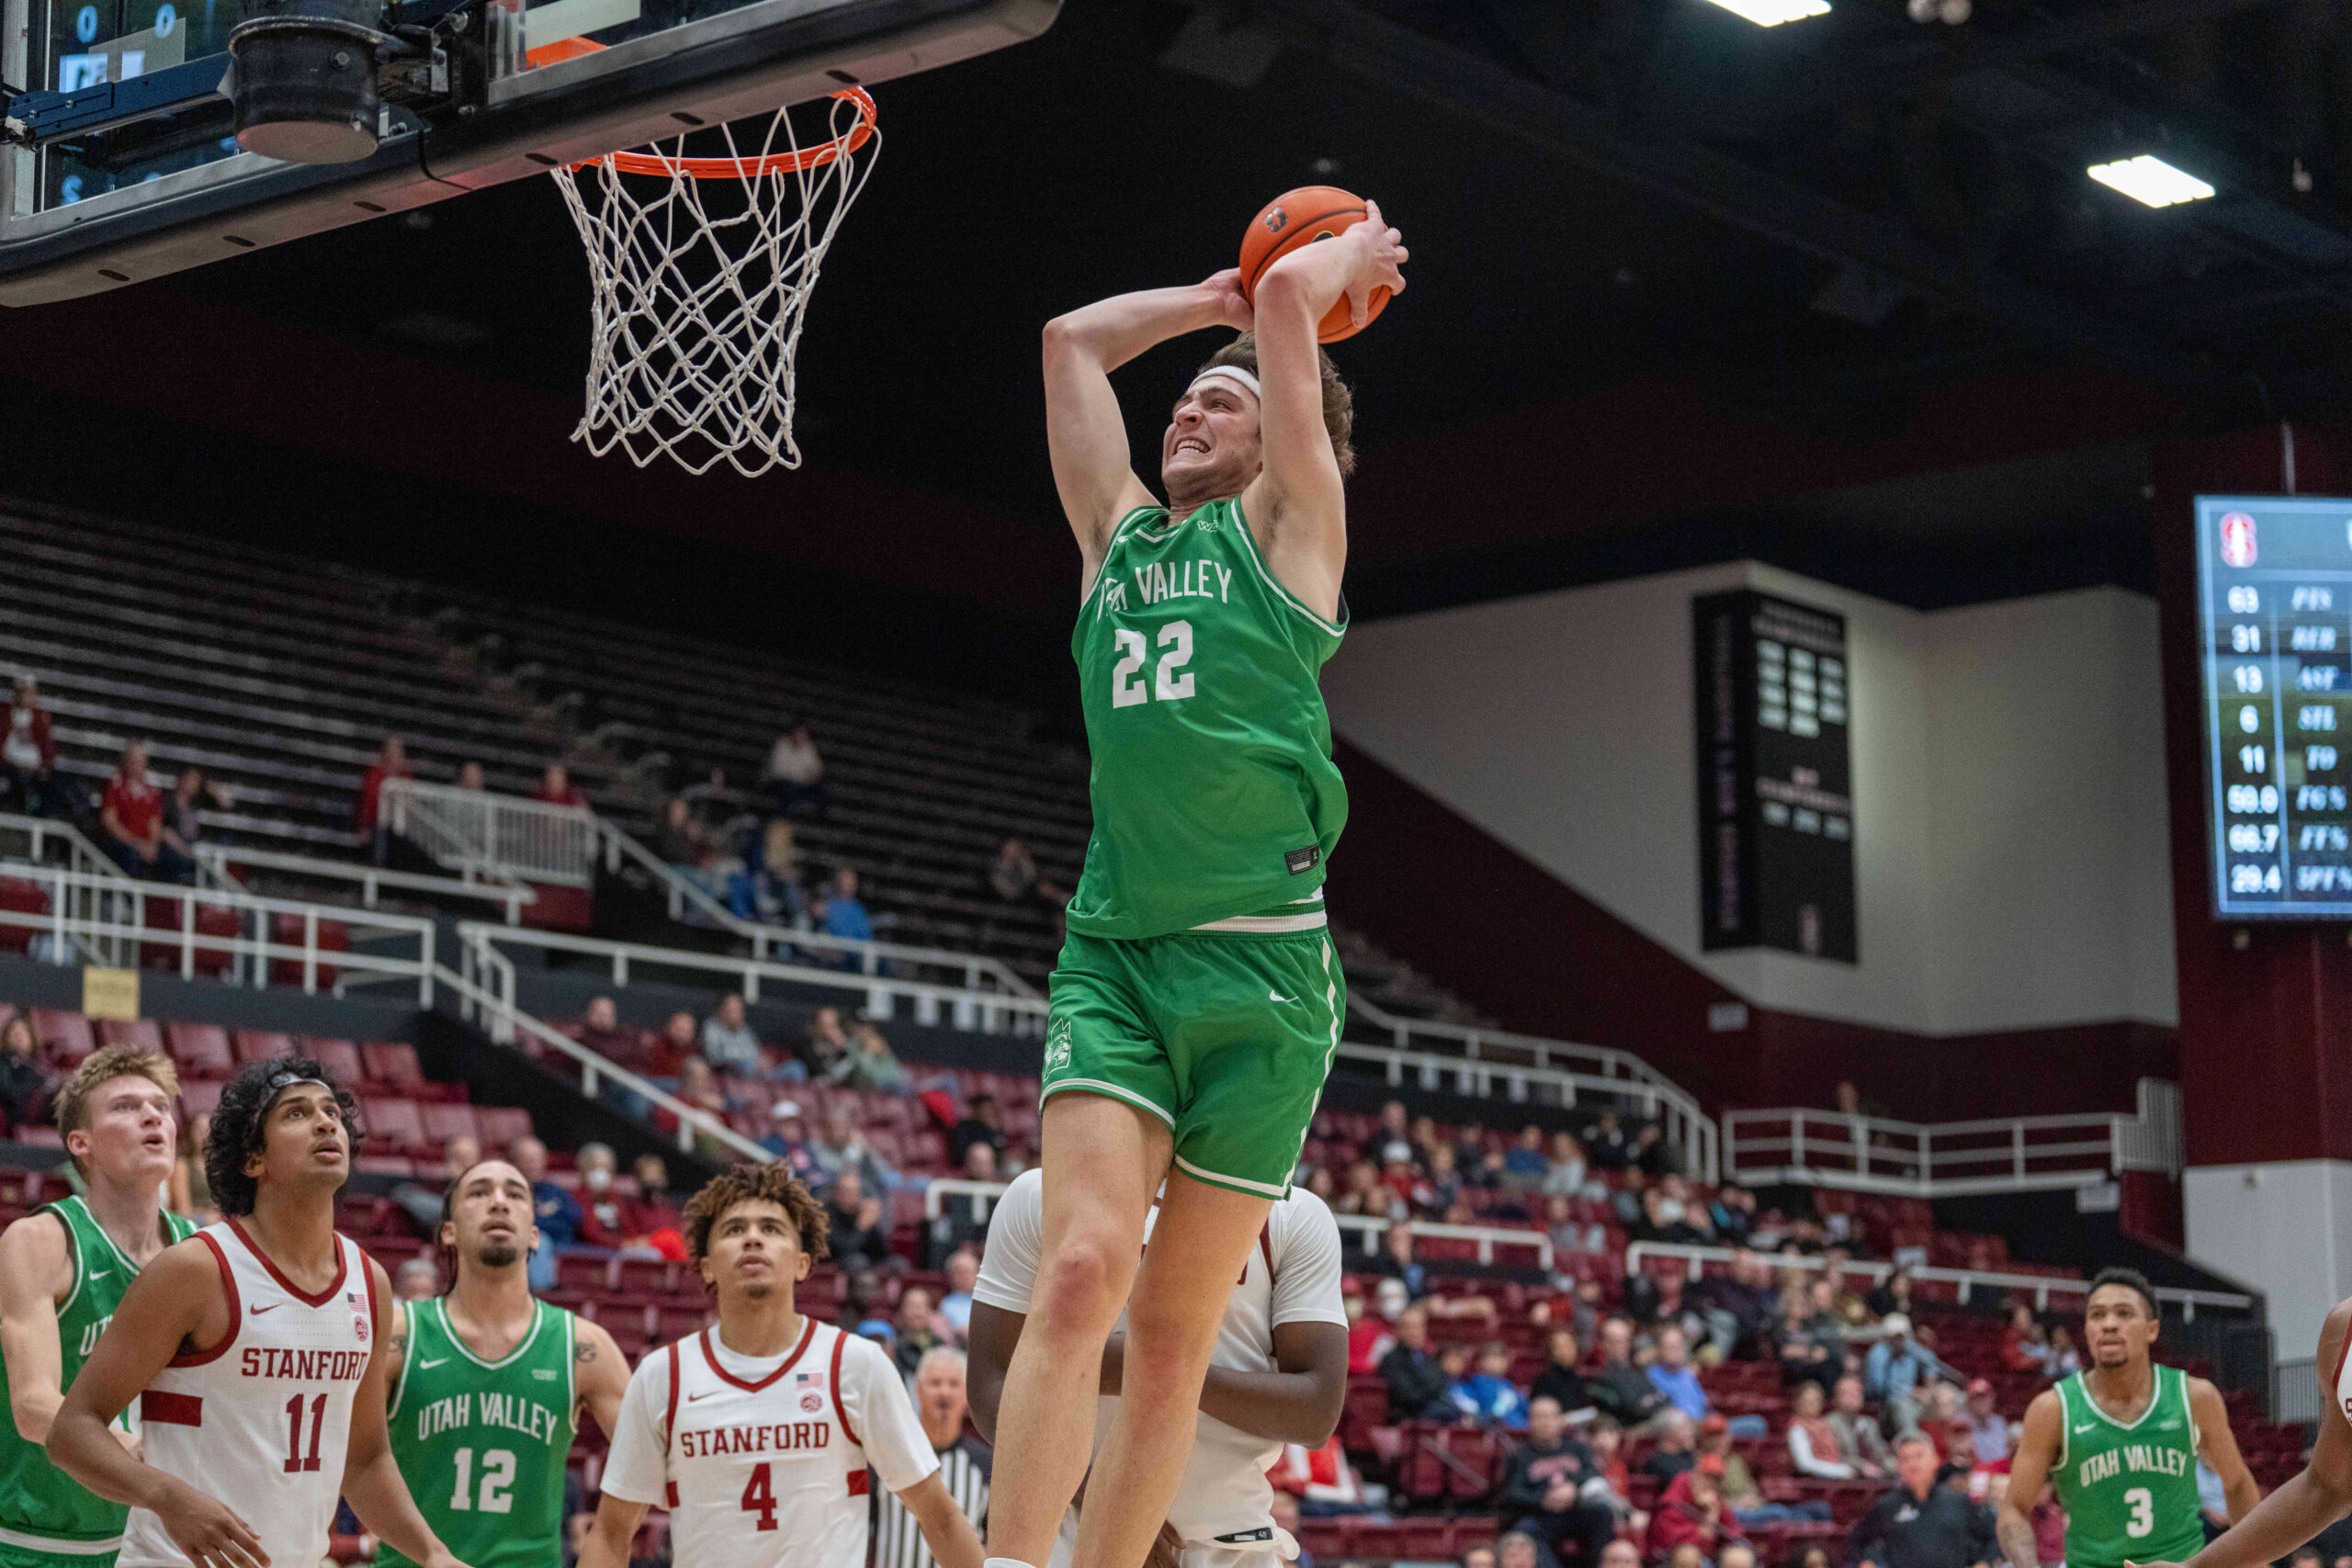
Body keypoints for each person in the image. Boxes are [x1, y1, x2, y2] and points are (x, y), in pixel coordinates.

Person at [985, 204, 1407, 1568]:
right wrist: (1214, 297)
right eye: (1183, 398)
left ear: (1288, 441)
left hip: (1266, 976)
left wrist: (1329, 274)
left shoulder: (1292, 536)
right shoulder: (1118, 544)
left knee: (1170, 1344)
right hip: (1118, 951)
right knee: (1077, 1272)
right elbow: (1068, 343)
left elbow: (1292, 316)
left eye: (1221, 401)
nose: (1188, 411)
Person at [48, 1057, 469, 1568]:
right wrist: (164, 1495)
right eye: (296, 1113)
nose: (324, 1122)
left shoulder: (369, 1282)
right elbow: (72, 1429)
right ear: (252, 1159)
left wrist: (434, 1553)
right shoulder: (196, 1269)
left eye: (332, 1112)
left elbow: (365, 1460)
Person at [578, 1165, 982, 1568]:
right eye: (734, 1230)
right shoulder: (661, 1375)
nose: (753, 1237)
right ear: (706, 1266)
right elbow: (612, 1535)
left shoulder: (857, 1364)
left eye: (771, 1229)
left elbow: (940, 1516)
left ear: (803, 1263)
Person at [967, 1165, 1348, 1568]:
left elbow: (1316, 1412)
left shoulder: (1292, 1213)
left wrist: (1142, 1365)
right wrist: (1110, 1506)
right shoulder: (1041, 1192)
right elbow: (991, 1389)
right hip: (1070, 1527)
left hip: (1230, 1541)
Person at [379, 1158, 631, 1568]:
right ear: (448, 1231)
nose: (499, 1202)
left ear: (534, 1235)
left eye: (515, 1194)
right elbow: (353, 1461)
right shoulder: (398, 1334)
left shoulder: (584, 1345)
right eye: (479, 1192)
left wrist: (607, 1541)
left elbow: (645, 1461)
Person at [0, 1047, 198, 1566]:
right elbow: (33, 1406)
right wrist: (144, 1461)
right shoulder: (41, 1241)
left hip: (153, 1542)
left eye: (160, 1106)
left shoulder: (200, 1250)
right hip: (34, 1542)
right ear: (79, 1143)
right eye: (126, 1107)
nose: (153, 1115)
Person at [1996, 1269, 2255, 1568]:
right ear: (2086, 1329)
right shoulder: (2053, 1408)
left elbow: (2236, 1483)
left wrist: (2255, 1562)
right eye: (2097, 1315)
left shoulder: (2195, 1397)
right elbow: (2014, 1508)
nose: (2108, 1324)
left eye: (2123, 1313)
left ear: (2151, 1329)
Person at [880, 1348, 992, 1568]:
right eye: (935, 1383)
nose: (944, 1392)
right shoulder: (890, 1454)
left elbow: (993, 1541)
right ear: (919, 1391)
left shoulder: (986, 1463)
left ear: (966, 1395)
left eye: (953, 1384)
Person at [1496, 1394, 1617, 1568]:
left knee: (1602, 1511)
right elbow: (1513, 1492)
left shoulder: (1578, 1448)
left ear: (1560, 1420)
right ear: (1529, 1421)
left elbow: (1593, 1474)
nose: (1545, 1422)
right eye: (1539, 1417)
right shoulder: (1520, 1454)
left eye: (1550, 1416)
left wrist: (1574, 1489)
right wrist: (1544, 1500)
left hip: (1576, 1509)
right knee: (1525, 1528)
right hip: (1541, 1516)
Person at [1853, 1435, 1996, 1568]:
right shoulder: (1887, 1505)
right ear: (1898, 1467)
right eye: (1905, 1459)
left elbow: (1994, 1536)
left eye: (1918, 1456)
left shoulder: (1958, 1501)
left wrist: (1985, 1563)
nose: (1912, 1464)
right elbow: (1857, 1540)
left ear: (1935, 1460)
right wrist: (1868, 1560)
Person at [95, 742, 187, 884]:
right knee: (129, 855)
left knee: (173, 860)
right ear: (125, 761)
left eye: (141, 761)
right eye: (134, 761)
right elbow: (109, 821)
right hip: (123, 843)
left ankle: (161, 902)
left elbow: (155, 823)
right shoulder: (115, 783)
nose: (138, 765)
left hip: (143, 844)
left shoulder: (151, 788)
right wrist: (137, 844)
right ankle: (128, 900)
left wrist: (151, 845)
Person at [509, 1136, 577, 1292]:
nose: (534, 1165)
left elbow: (576, 1218)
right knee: (539, 1241)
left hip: (564, 1243)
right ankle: (545, 1296)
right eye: (528, 1160)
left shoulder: (556, 1192)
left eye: (538, 1159)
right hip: (527, 1246)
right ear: (515, 1162)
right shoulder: (508, 1193)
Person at [1589, 1316, 1673, 1434]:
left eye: (1625, 1340)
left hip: (1652, 1421)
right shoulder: (1605, 1375)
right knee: (1674, 1421)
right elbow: (1635, 1409)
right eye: (1616, 1341)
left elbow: (1665, 1397)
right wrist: (1651, 1400)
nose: (1623, 1345)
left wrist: (1649, 1401)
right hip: (1630, 1429)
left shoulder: (1637, 1368)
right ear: (1604, 1343)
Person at [1646, 1463, 1745, 1564]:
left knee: (1740, 1556)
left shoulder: (1715, 1501)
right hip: (1670, 1563)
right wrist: (1711, 1514)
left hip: (1709, 1561)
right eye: (1706, 1477)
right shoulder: (1671, 1507)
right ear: (1693, 1477)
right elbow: (1696, 1549)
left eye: (1716, 1480)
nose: (1710, 1484)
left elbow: (1736, 1535)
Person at [1377, 1307, 1452, 1422]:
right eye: (1409, 1327)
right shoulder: (1391, 1360)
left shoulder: (1428, 1358)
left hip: (1436, 1412)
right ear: (1399, 1330)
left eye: (1418, 1327)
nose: (1415, 1332)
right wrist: (1433, 1389)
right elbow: (1408, 1396)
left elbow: (1442, 1383)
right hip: (1410, 1419)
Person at [3, 677, 57, 818]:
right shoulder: (4, 715)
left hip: (35, 768)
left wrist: (46, 765)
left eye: (32, 693)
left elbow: (47, 747)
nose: (30, 697)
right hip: (11, 767)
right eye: (26, 693)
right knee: (20, 780)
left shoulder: (39, 717)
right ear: (17, 693)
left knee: (55, 782)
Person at [356, 736, 414, 864]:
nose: (397, 752)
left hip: (401, 828)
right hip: (378, 826)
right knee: (381, 836)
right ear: (385, 752)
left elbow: (411, 804)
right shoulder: (374, 773)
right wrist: (364, 827)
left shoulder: (406, 775)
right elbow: (367, 803)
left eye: (399, 749)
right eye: (393, 748)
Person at [1451, 1342, 1531, 1429]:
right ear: (1481, 1361)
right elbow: (1484, 1411)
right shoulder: (1476, 1383)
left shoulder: (1509, 1387)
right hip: (1494, 1430)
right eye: (1493, 1358)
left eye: (1501, 1358)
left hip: (1519, 1430)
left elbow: (1524, 1411)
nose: (1497, 1362)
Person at [1829, 1373, 1894, 1479]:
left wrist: (1897, 1465)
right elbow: (1834, 1456)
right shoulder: (1829, 1423)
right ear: (1836, 1399)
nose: (1855, 1396)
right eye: (1848, 1393)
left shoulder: (1870, 1423)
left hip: (1877, 1476)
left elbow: (1881, 1454)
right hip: (1846, 1480)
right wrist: (1862, 1466)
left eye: (1858, 1392)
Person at [0, 1014, 54, 1133]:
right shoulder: (4, 1062)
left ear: (31, 1037)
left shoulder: (39, 1063)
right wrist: (37, 1087)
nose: (18, 1034)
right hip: (24, 1111)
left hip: (46, 1106)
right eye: (13, 1031)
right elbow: (9, 1091)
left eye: (23, 1030)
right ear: (6, 1038)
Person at [765, 724, 830, 818]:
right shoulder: (782, 745)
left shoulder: (808, 746)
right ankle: (784, 816)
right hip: (783, 782)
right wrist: (801, 776)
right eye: (799, 734)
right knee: (787, 788)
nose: (802, 737)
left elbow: (817, 767)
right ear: (792, 734)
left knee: (824, 789)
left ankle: (819, 817)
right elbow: (778, 769)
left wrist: (812, 775)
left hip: (804, 783)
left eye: (804, 735)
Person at [1530, 1327, 1591, 1418]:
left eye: (1568, 1346)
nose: (1565, 1351)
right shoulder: (1543, 1381)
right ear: (1551, 1351)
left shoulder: (1580, 1381)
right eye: (1560, 1346)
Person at [700, 994, 764, 1077]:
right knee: (745, 1066)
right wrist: (738, 1061)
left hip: (753, 1072)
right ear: (722, 1010)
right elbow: (714, 1058)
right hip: (729, 1073)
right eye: (733, 1010)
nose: (739, 1014)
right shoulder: (711, 1028)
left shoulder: (745, 1031)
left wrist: (762, 1062)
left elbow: (757, 1055)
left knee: (786, 1068)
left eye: (740, 1010)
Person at [895, 1287, 946, 1381]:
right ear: (902, 1311)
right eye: (911, 1306)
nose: (916, 1312)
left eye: (921, 1306)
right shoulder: (894, 1346)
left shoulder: (940, 1345)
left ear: (930, 1312)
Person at [951, 1094, 1008, 1169]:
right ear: (976, 1110)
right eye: (984, 1108)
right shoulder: (965, 1128)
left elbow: (1000, 1152)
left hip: (994, 1169)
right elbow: (960, 1155)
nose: (988, 1112)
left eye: (991, 1109)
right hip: (971, 1169)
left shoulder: (996, 1128)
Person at [1962, 1379, 2009, 1465]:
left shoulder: (1999, 1422)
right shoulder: (1962, 1424)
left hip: (1999, 1472)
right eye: (1976, 1399)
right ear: (1969, 1402)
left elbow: (2003, 1454)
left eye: (1984, 1398)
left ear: (1992, 1398)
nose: (1981, 1403)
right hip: (1973, 1472)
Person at [937, 1251, 980, 1340]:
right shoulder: (946, 1304)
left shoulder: (988, 1301)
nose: (965, 1276)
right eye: (960, 1272)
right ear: (951, 1275)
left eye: (969, 1271)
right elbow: (963, 1333)